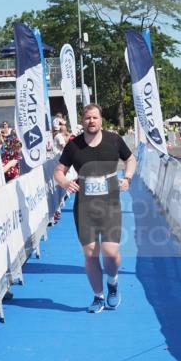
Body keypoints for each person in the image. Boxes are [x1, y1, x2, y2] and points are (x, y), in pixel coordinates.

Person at [54, 104, 136, 314]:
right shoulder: (73, 145)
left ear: (101, 120)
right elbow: (59, 171)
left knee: (111, 253)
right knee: (90, 254)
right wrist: (65, 183)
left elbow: (130, 159)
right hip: (84, 206)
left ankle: (113, 281)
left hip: (109, 204)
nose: (91, 121)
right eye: (88, 118)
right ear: (82, 121)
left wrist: (127, 178)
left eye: (95, 117)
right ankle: (98, 296)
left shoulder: (113, 140)